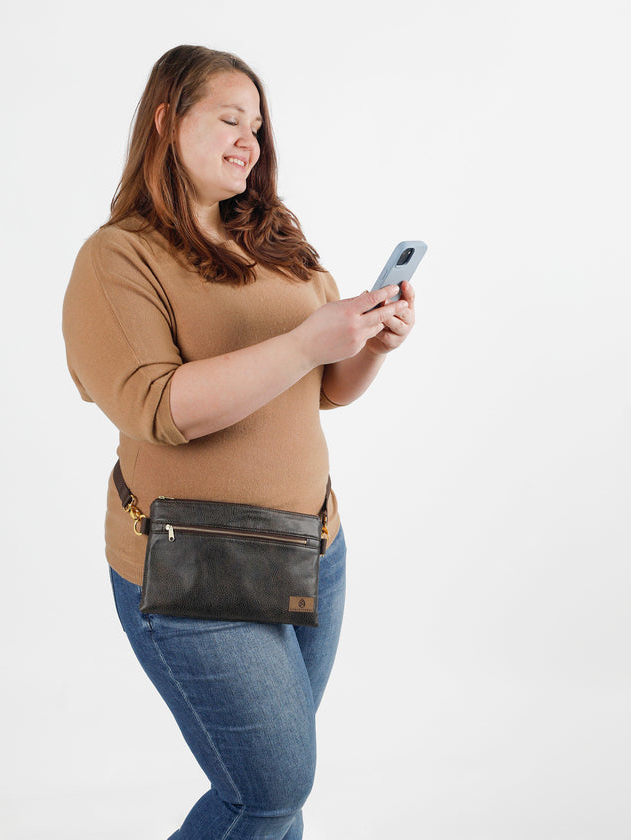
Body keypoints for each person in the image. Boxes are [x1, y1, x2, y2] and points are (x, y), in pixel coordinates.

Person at [62, 44, 415, 840]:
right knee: (269, 789)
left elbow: (323, 390)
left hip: (311, 547)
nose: (249, 140)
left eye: (256, 125)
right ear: (166, 121)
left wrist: (370, 344)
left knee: (273, 794)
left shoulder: (274, 241)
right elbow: (157, 405)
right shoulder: (117, 257)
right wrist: (303, 341)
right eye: (228, 118)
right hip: (193, 567)